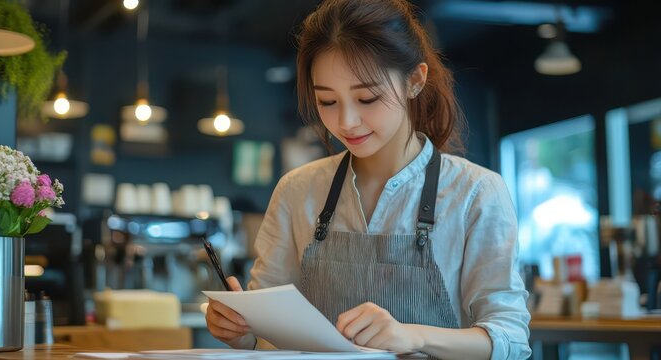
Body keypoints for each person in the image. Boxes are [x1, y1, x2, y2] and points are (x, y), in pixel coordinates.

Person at [205, 0, 531, 358]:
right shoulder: (297, 191)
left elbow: (509, 342)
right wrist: (240, 333)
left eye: (367, 97)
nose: (346, 121)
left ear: (415, 80)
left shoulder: (476, 193)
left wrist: (414, 336)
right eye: (327, 102)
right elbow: (265, 332)